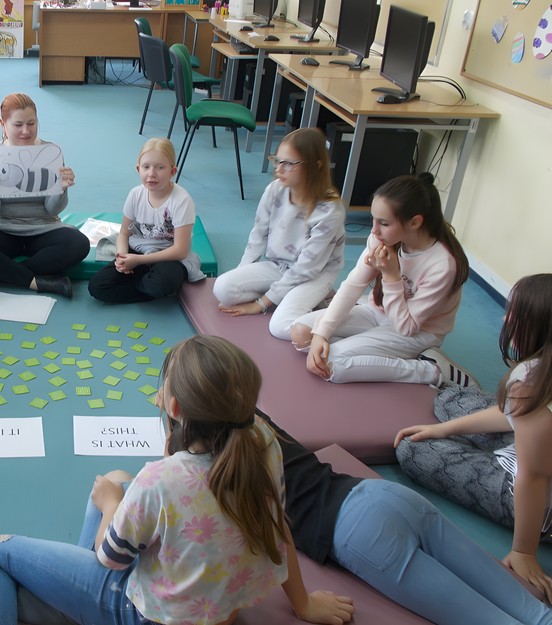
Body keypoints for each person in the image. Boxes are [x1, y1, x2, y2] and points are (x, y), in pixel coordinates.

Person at [0, 335, 354, 625]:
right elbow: (276, 524)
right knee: (119, 478)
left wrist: (110, 506)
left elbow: (111, 559)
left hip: (144, 614)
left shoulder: (160, 479)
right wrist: (303, 604)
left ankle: (82, 606)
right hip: (218, 611)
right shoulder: (263, 441)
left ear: (173, 406)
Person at [269, 414, 552, 625]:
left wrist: (303, 604)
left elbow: (274, 532)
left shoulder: (228, 460)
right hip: (383, 493)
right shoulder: (253, 417)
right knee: (537, 614)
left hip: (360, 533)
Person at [395, 273, 552, 602]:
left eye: (514, 314)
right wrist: (443, 428)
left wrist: (524, 551)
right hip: (537, 446)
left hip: (535, 498)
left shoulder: (530, 380)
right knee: (449, 398)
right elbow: (515, 413)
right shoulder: (534, 380)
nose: (504, 318)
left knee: (412, 449)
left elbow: (534, 475)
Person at [288, 173, 471, 385]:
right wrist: (321, 333)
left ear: (415, 222)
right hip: (377, 311)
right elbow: (353, 285)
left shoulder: (443, 265)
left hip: (417, 331)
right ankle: (359, 347)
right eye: (373, 219)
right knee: (301, 332)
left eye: (383, 223)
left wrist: (391, 276)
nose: (374, 230)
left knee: (332, 362)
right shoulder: (381, 238)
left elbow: (406, 327)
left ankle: (429, 370)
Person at [212, 128, 345, 340]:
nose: (279, 169)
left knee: (281, 327)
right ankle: (301, 299)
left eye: (289, 164)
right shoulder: (275, 190)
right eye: (277, 160)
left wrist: (261, 304)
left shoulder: (330, 210)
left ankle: (342, 314)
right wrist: (242, 272)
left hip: (315, 275)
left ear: (315, 166)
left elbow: (305, 269)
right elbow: (258, 235)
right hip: (279, 266)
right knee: (223, 289)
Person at [0, 93, 89, 299]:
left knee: (79, 244)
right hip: (5, 229)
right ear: (3, 124)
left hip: (44, 229)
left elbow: (53, 210)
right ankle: (36, 282)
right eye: (18, 125)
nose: (26, 131)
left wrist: (62, 188)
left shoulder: (50, 151)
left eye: (31, 123)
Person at [87, 137, 205, 304]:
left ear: (172, 171)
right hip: (138, 251)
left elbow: (180, 250)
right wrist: (123, 257)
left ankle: (151, 283)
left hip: (168, 257)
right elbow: (124, 234)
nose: (152, 174)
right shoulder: (135, 194)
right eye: (146, 167)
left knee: (162, 281)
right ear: (138, 169)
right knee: (97, 286)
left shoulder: (182, 200)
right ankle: (148, 284)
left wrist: (138, 262)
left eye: (160, 167)